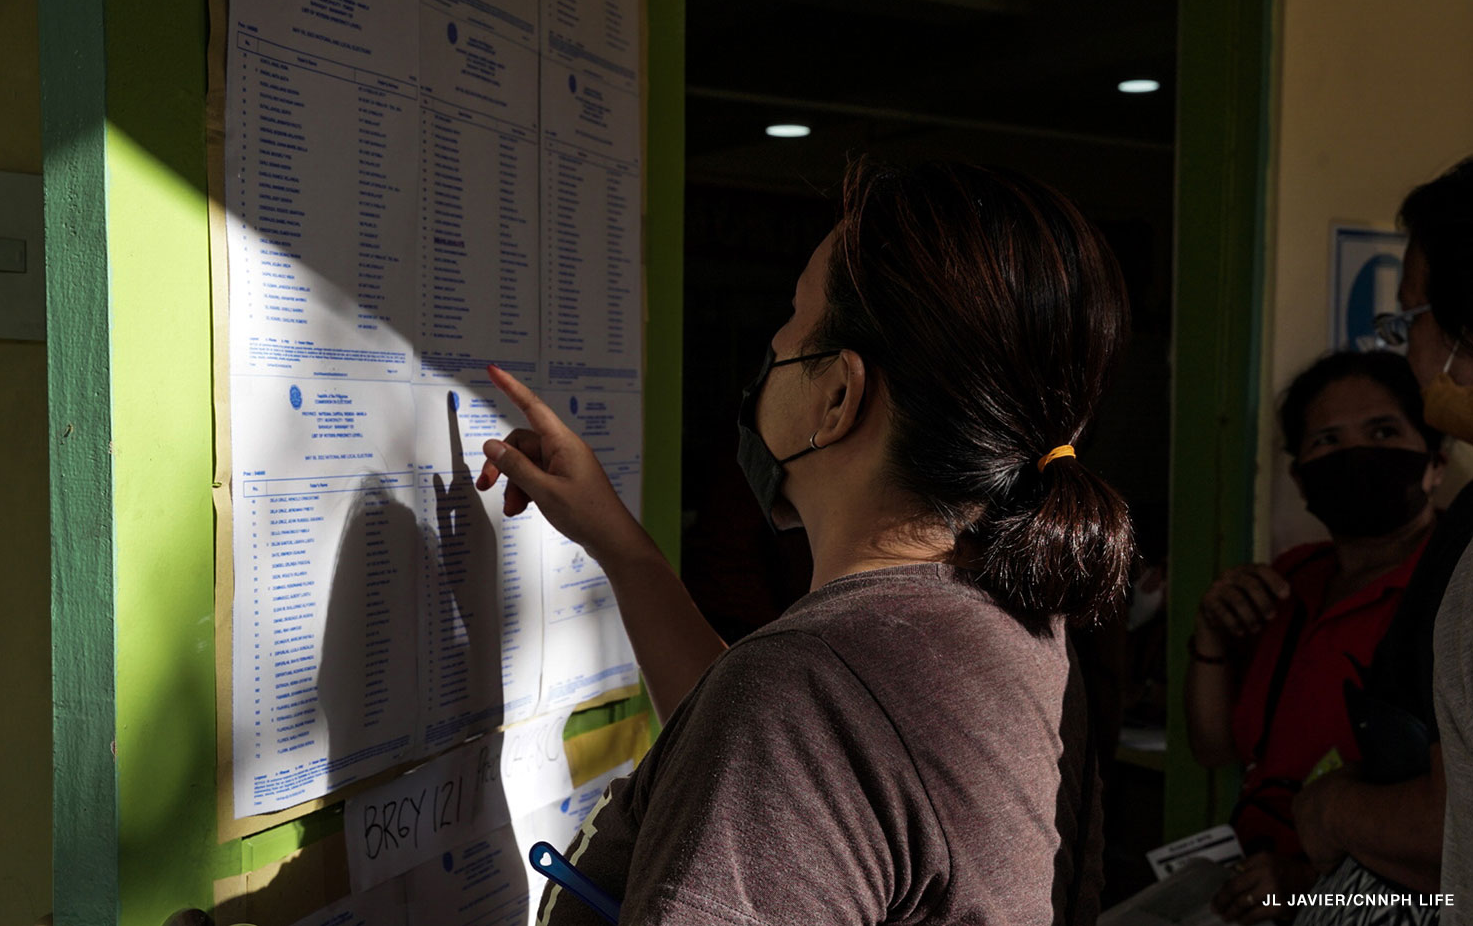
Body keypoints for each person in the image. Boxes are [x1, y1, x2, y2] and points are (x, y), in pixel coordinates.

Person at [475, 159, 1134, 926]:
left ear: (837, 395)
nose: (773, 346)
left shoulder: (810, 689)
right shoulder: (1002, 615)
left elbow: (793, 748)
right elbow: (801, 781)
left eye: (791, 316)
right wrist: (622, 549)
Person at [1184, 351, 1445, 923]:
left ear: (1436, 462)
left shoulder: (1453, 592)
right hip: (1251, 890)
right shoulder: (1291, 579)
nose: (1356, 454)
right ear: (1300, 478)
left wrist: (1307, 886)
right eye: (1327, 440)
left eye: (1383, 431)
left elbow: (1453, 842)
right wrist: (1210, 636)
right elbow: (1216, 749)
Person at [1290, 157, 1473, 925]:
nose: (1410, 355)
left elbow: (1453, 827)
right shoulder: (1288, 584)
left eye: (1410, 321)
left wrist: (1330, 810)